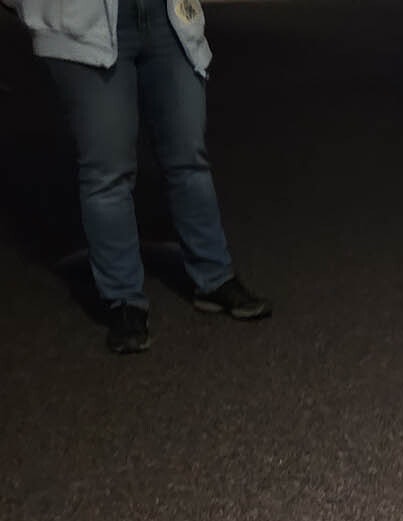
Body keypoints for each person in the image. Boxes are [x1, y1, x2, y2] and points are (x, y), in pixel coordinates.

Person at [5, 0, 269, 353]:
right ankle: (123, 301)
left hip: (167, 15)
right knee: (107, 173)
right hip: (81, 20)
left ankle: (215, 277)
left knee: (188, 158)